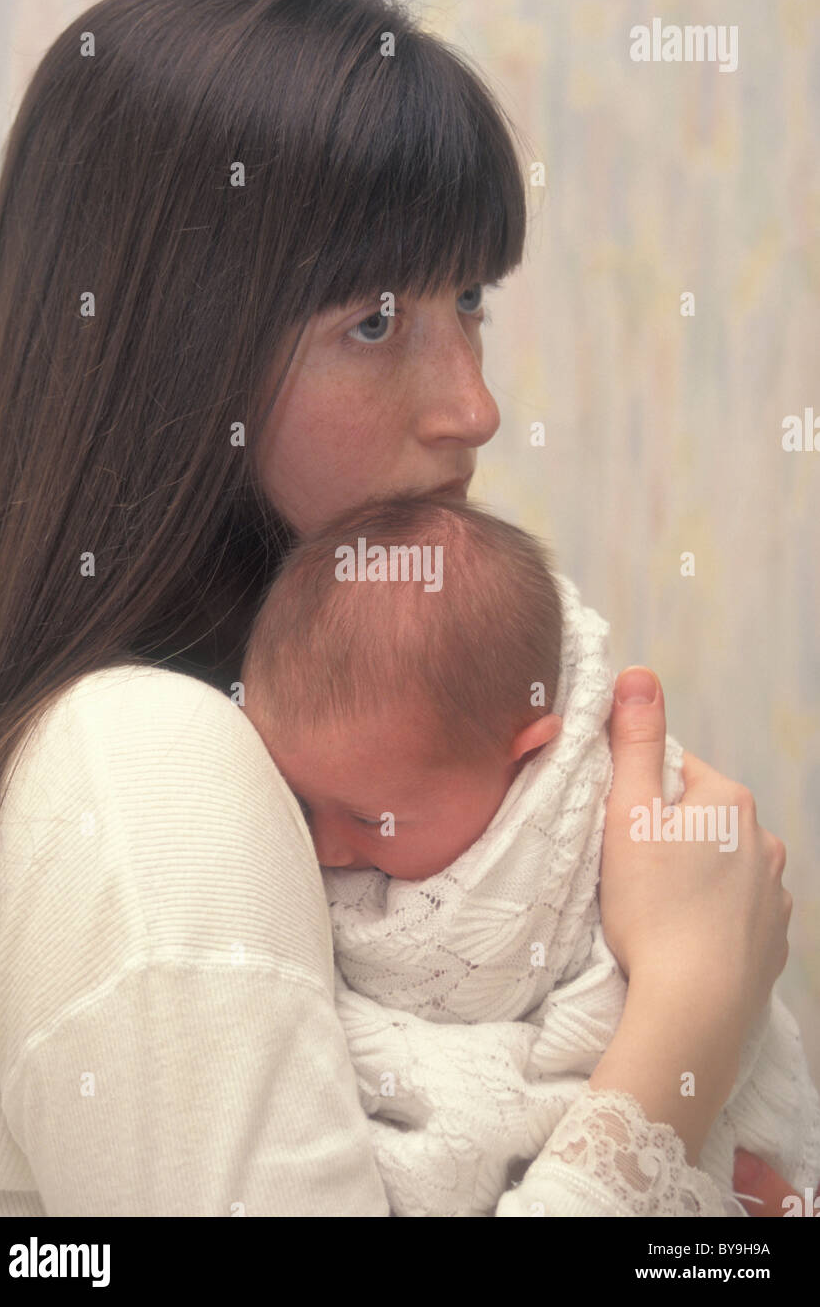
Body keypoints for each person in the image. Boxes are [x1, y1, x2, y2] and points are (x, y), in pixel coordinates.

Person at [0, 0, 797, 1216]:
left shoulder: (269, 720)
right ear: (171, 353)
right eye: (373, 322)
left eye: (469, 302)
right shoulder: (144, 762)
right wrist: (687, 1012)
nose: (476, 406)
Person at [238, 493, 820, 1216]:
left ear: (524, 756)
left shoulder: (605, 808)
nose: (325, 847)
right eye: (302, 803)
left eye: (367, 817)